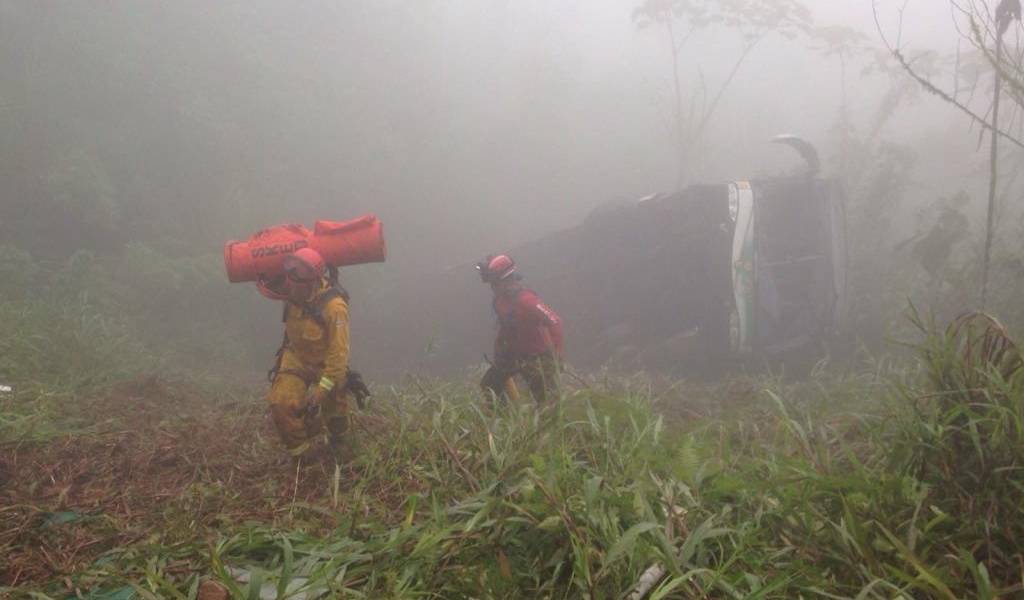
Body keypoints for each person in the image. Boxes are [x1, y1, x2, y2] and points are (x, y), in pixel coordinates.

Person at [266, 247, 365, 460]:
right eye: (288, 276)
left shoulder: (334, 307)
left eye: (296, 279)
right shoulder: (289, 291)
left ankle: (338, 446)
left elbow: (338, 355)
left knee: (335, 413)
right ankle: (302, 457)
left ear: (311, 281)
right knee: (280, 403)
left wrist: (320, 393)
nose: (290, 284)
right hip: (296, 358)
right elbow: (265, 285)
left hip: (325, 366)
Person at [477, 254, 564, 405]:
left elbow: (555, 321)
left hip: (537, 358)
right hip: (514, 354)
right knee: (490, 384)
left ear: (506, 280)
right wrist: (500, 350)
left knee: (547, 402)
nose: (493, 287)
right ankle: (507, 419)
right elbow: (505, 326)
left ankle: (547, 424)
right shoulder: (500, 301)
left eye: (495, 283)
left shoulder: (526, 299)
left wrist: (556, 357)